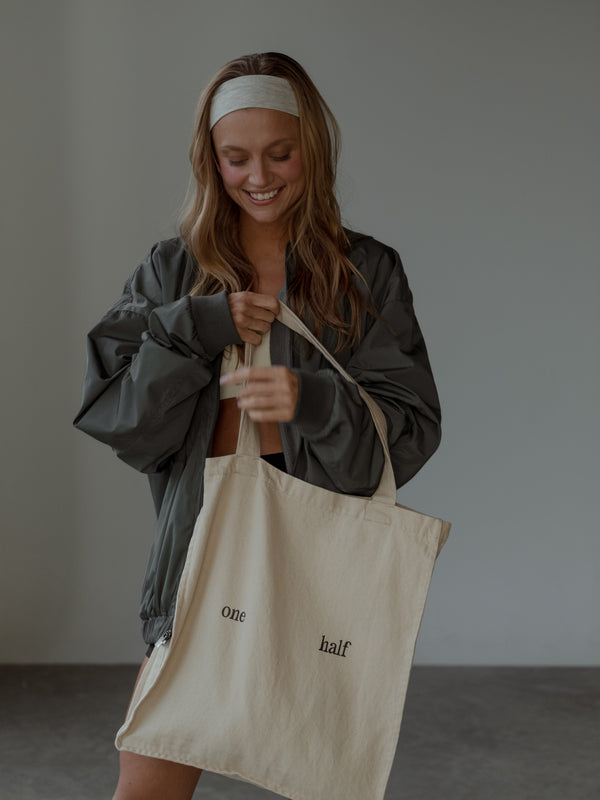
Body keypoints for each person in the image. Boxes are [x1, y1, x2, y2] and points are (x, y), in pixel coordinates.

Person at [73, 51, 442, 800]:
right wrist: (193, 328)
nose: (260, 176)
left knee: (325, 777)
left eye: (281, 153)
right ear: (211, 161)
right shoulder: (173, 274)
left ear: (314, 149)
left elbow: (410, 429)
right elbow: (123, 422)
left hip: (321, 555)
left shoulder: (365, 272)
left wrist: (310, 400)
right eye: (236, 157)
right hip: (203, 544)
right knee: (149, 778)